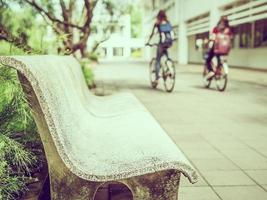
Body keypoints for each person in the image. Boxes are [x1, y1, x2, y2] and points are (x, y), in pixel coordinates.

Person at [146, 10, 174, 81]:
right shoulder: (168, 22)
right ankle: (170, 69)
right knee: (166, 57)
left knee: (158, 60)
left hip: (162, 43)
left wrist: (148, 41)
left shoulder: (157, 23)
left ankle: (157, 77)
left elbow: (152, 34)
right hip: (169, 43)